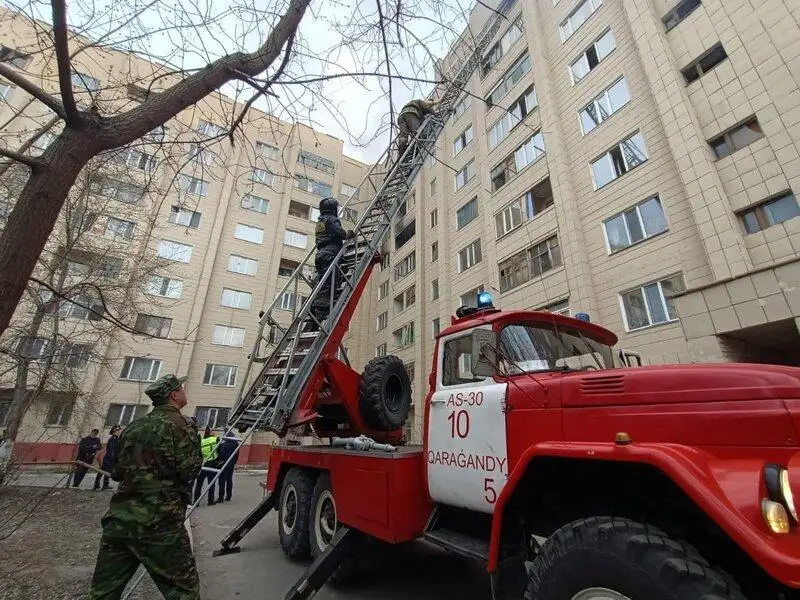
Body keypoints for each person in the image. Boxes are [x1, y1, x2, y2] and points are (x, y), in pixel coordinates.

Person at [87, 373, 202, 600]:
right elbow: (190, 471)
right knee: (184, 592)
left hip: (119, 522)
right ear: (174, 395)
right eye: (181, 388)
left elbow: (117, 472)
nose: (184, 391)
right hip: (160, 525)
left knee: (102, 593)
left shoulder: (132, 428)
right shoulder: (181, 426)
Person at [309, 197, 354, 330]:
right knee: (329, 285)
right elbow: (339, 233)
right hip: (330, 254)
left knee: (322, 283)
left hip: (321, 254)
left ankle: (313, 309)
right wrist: (349, 234)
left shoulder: (320, 222)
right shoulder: (331, 219)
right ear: (333, 208)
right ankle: (319, 315)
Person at [193, 427, 220, 506]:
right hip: (212, 463)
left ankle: (196, 501)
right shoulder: (215, 439)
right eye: (213, 431)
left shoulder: (202, 441)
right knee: (211, 483)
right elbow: (219, 450)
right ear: (210, 432)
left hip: (203, 463)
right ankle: (210, 501)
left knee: (199, 483)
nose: (214, 432)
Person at [93, 425, 121, 491]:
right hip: (110, 458)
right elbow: (112, 450)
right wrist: (113, 459)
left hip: (107, 458)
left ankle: (97, 484)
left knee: (102, 471)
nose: (118, 432)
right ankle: (104, 485)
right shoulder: (113, 439)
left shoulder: (115, 439)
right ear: (113, 432)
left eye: (119, 431)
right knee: (106, 471)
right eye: (117, 431)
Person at [216, 432, 240, 503]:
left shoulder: (223, 444)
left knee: (222, 481)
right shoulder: (236, 444)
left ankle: (221, 498)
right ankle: (229, 496)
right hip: (231, 464)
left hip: (223, 464)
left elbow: (220, 454)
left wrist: (219, 461)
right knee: (229, 480)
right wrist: (233, 462)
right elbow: (237, 455)